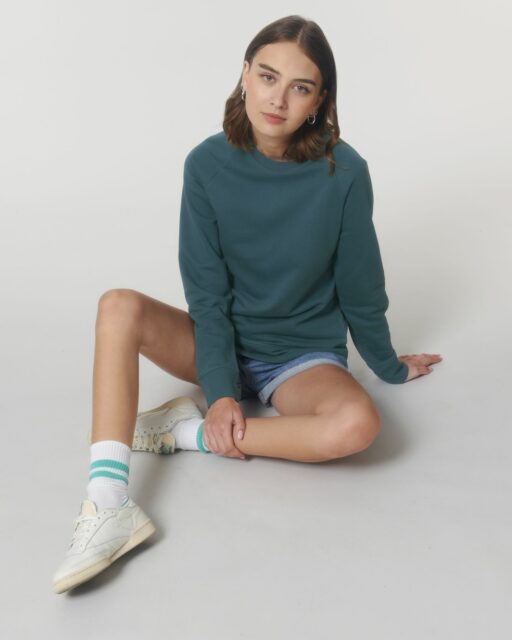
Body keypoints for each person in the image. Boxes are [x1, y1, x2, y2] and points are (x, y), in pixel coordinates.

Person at [52, 14, 442, 594]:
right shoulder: (205, 165)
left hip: (300, 358)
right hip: (219, 343)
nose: (278, 99)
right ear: (244, 74)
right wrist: (221, 392)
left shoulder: (344, 173)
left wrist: (388, 365)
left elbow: (361, 286)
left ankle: (186, 435)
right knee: (117, 306)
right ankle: (108, 503)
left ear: (319, 100)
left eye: (300, 87)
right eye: (267, 76)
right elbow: (206, 294)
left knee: (358, 424)